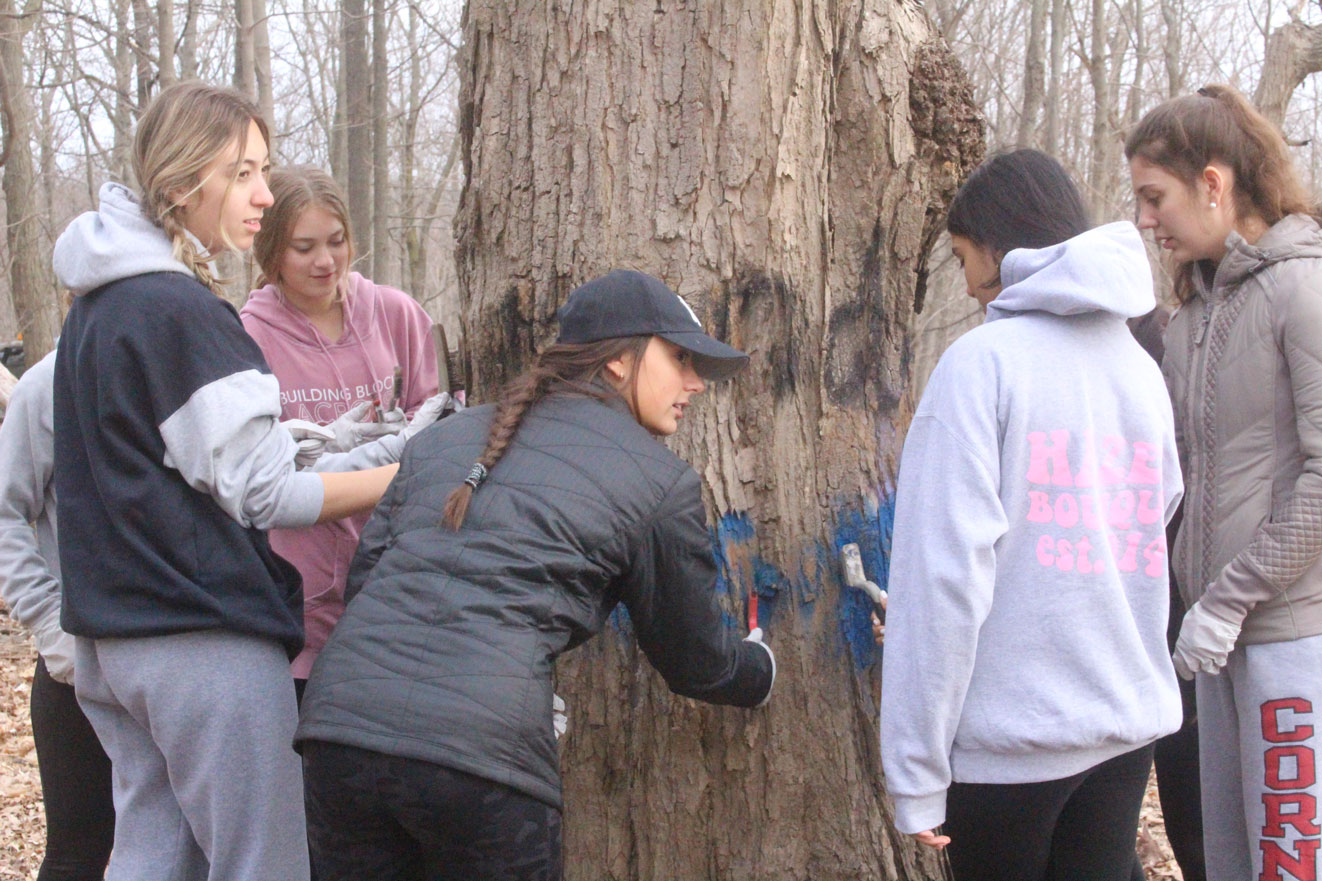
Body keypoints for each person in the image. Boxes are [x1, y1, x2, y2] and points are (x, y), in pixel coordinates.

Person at [296, 269, 777, 881]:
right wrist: (756, 669)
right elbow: (695, 661)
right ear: (619, 362)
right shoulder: (659, 482)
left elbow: (367, 584)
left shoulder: (441, 441)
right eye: (679, 357)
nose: (694, 383)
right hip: (480, 755)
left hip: (338, 732)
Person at [50, 82, 396, 881]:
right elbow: (267, 493)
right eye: (243, 173)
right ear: (181, 184)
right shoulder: (183, 314)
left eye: (262, 170)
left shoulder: (96, 312)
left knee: (151, 857)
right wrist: (396, 475)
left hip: (113, 642)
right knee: (262, 865)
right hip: (201, 644)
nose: (264, 194)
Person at [880, 149, 1184, 881]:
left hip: (1011, 742)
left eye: (961, 258)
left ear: (997, 244)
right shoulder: (1138, 369)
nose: (969, 283)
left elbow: (943, 574)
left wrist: (916, 771)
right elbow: (1159, 512)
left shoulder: (981, 364)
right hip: (1123, 725)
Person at [1126, 83, 1322, 881]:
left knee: (1289, 863)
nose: (1145, 220)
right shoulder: (1194, 317)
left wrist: (1232, 594)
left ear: (1214, 183)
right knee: (1229, 862)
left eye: (1154, 196)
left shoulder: (1302, 290)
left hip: (1287, 639)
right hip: (1213, 642)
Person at [243, 166, 443, 693]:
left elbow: (442, 409)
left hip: (395, 582)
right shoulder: (247, 335)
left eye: (336, 242)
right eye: (303, 247)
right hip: (299, 591)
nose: (325, 261)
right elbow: (259, 468)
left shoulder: (394, 313)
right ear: (270, 254)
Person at [0, 349, 115, 881]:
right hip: (77, 663)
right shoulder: (46, 384)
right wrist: (52, 629)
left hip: (186, 662)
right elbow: (6, 515)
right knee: (77, 855)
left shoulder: (192, 365)